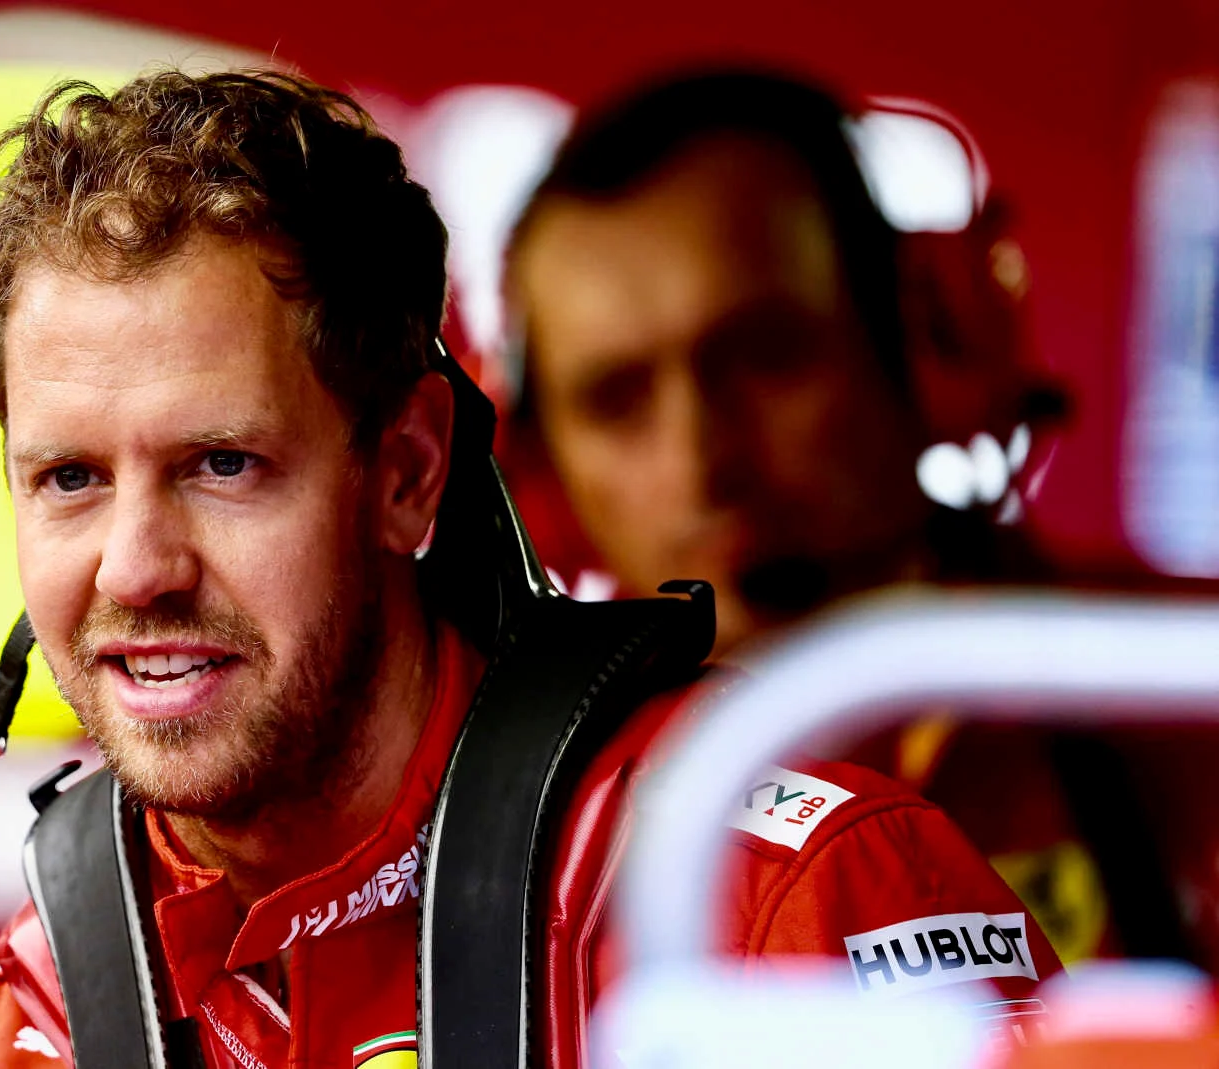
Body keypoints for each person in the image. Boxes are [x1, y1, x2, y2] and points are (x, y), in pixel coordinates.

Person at [0, 68, 1059, 1069]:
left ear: (405, 473)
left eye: (222, 463)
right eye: (70, 478)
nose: (136, 566)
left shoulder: (779, 910)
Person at [503, 69, 1213, 975]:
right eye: (616, 399)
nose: (702, 462)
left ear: (928, 341)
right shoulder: (506, 805)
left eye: (766, 355)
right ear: (539, 473)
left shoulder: (1176, 689)